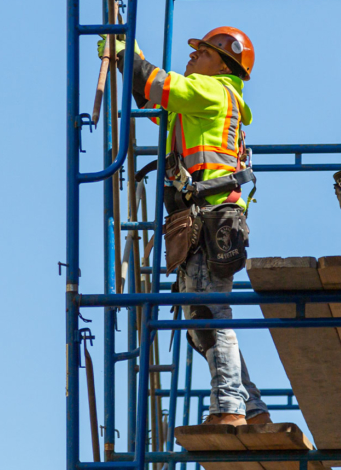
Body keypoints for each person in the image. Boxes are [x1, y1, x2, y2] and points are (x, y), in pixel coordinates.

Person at [99, 27, 271, 427]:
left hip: (209, 217)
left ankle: (229, 407)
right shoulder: (202, 98)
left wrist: (123, 48)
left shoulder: (211, 91)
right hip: (203, 218)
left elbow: (157, 84)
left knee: (210, 315)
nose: (192, 57)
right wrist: (129, 53)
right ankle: (253, 408)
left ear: (224, 64)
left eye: (204, 52)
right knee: (201, 323)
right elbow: (149, 91)